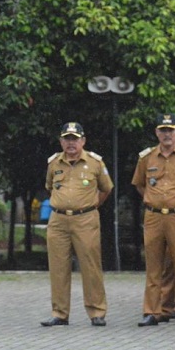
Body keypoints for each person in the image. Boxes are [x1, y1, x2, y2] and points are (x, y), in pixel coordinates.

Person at [132, 114, 175, 327]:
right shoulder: (146, 157)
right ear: (156, 132)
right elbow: (139, 184)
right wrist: (153, 199)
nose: (167, 135)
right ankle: (152, 311)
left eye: (171, 130)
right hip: (153, 215)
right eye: (163, 130)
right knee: (154, 266)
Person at [41, 122, 113, 327]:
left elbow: (106, 189)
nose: (71, 143)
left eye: (75, 139)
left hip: (85, 219)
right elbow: (49, 187)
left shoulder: (95, 163)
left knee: (90, 266)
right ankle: (60, 313)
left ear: (83, 140)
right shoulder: (54, 163)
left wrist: (89, 207)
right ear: (61, 141)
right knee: (58, 267)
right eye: (67, 139)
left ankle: (97, 312)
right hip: (58, 220)